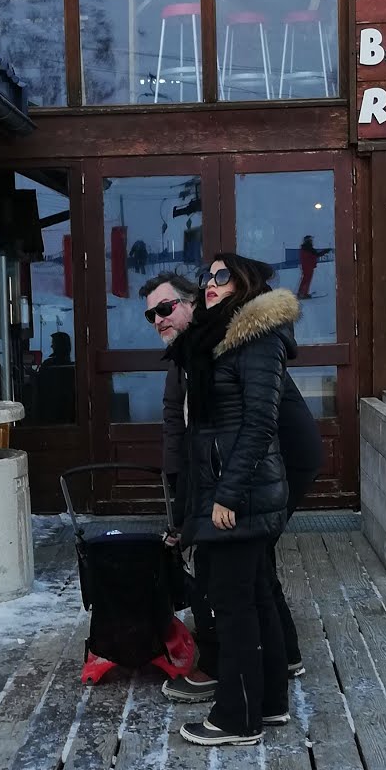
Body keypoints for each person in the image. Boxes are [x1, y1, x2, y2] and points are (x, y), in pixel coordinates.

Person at [146, 273, 321, 700]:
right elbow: (179, 432)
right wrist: (181, 505)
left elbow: (255, 423)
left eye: (166, 308)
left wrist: (228, 493)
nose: (158, 319)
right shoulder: (190, 351)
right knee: (250, 566)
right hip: (246, 469)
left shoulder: (221, 342)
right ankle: (278, 659)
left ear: (192, 304)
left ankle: (227, 668)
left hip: (278, 463)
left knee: (228, 568)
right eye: (151, 315)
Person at [166, 252, 296, 746]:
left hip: (240, 495)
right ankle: (270, 703)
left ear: (245, 283)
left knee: (232, 603)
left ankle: (237, 719)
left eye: (222, 275)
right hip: (231, 491)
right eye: (207, 276)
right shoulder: (220, 338)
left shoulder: (257, 339)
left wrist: (228, 495)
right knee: (256, 594)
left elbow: (260, 424)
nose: (210, 283)